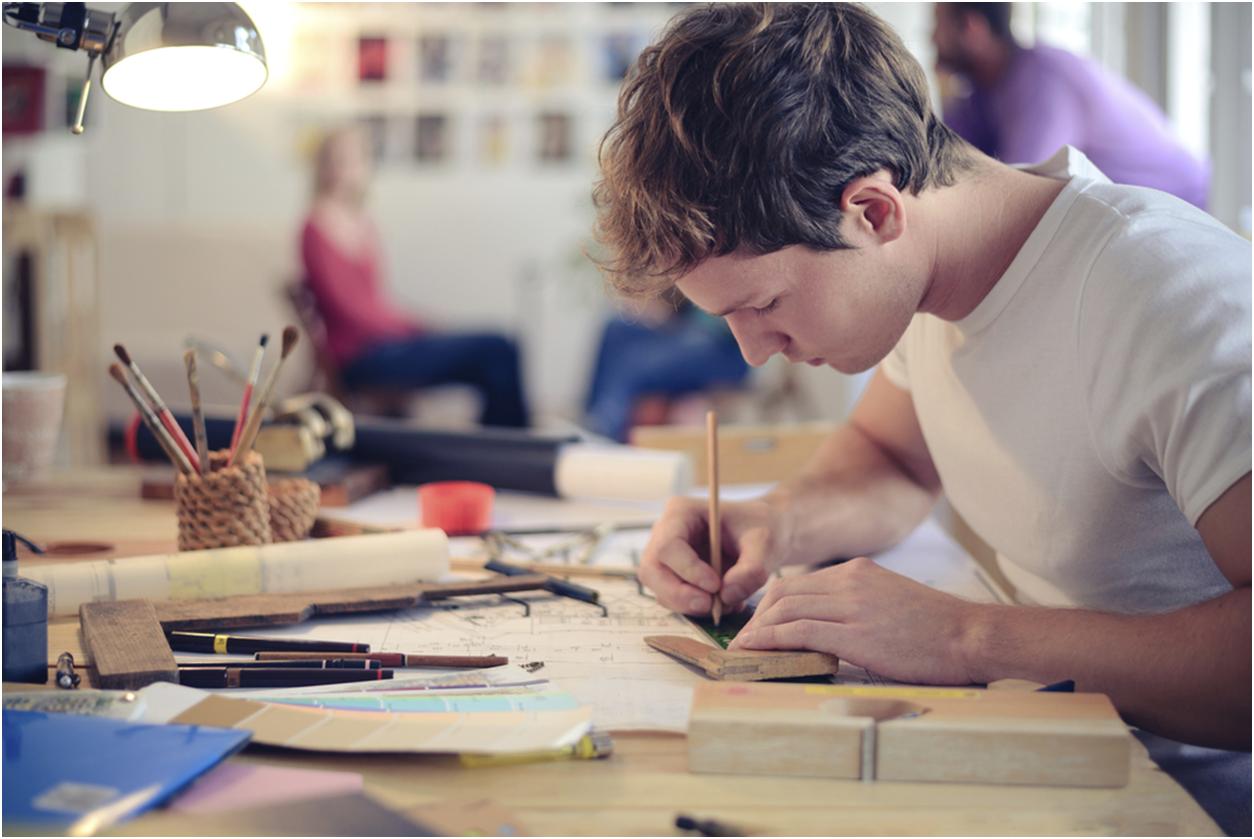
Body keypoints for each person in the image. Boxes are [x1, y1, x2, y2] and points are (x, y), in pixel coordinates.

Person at [593, 4, 1249, 832]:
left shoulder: (1169, 297)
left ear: (872, 212)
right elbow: (890, 460)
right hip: (1040, 756)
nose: (754, 352)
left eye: (763, 305)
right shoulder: (929, 281)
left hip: (1180, 805)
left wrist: (967, 638)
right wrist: (770, 522)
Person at [301, 127, 529, 428]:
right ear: (326, 166)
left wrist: (418, 326)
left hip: (389, 344)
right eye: (344, 159)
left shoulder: (363, 223)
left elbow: (376, 303)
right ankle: (507, 450)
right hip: (363, 357)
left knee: (499, 353)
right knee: (497, 347)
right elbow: (351, 312)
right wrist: (413, 330)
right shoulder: (315, 227)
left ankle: (498, 450)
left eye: (359, 159)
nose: (353, 167)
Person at [931, 3, 1211, 209]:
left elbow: (1015, 193)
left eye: (937, 25)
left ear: (972, 28)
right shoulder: (986, 87)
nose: (932, 38)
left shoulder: (1043, 82)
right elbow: (954, 162)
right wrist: (945, 91)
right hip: (1119, 211)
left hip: (1180, 205)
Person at [583, 293, 749, 442]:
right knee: (615, 326)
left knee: (636, 364)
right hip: (686, 327)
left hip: (723, 346)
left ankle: (609, 430)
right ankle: (595, 415)